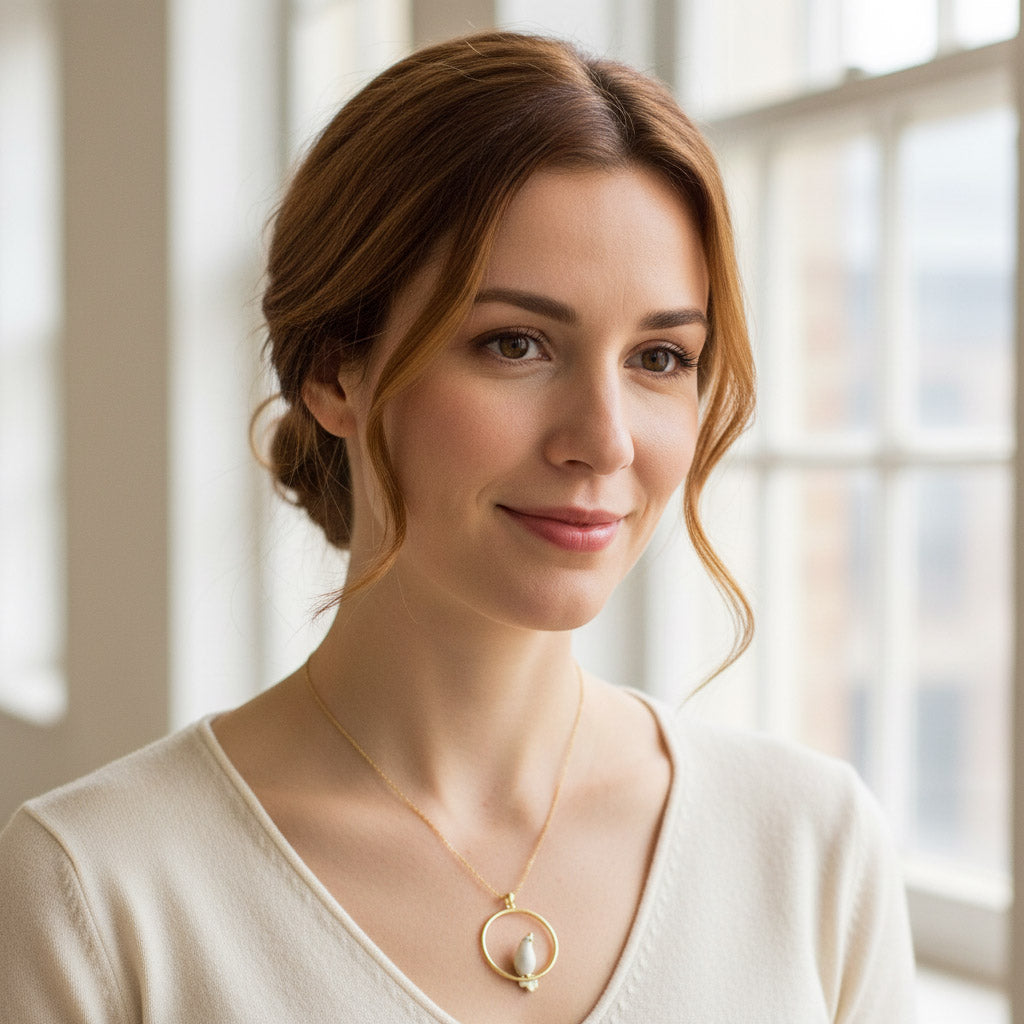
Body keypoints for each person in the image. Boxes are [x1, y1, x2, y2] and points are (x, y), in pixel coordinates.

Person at [0, 30, 916, 1023]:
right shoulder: (99, 887)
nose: (604, 442)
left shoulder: (810, 847)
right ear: (332, 372)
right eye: (514, 343)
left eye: (658, 357)